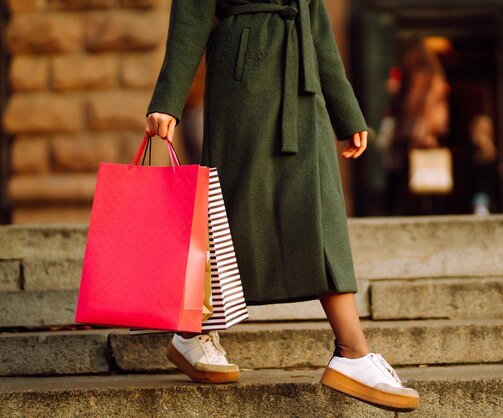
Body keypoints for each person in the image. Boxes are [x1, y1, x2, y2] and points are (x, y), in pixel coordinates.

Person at [144, 0, 419, 412]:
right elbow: (192, 13)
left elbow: (319, 27)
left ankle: (352, 351)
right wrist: (168, 99)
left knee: (319, 207)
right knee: (234, 210)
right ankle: (191, 330)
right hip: (246, 83)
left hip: (302, 86)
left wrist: (346, 112)